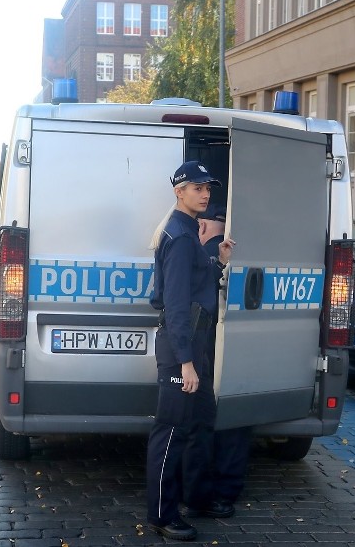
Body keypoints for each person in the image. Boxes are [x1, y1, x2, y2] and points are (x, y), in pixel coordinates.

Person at [146, 160, 235, 541]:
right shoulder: (182, 236)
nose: (205, 193)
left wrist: (218, 262)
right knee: (171, 433)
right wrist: (186, 362)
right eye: (197, 187)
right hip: (182, 347)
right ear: (179, 191)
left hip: (193, 344)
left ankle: (198, 497)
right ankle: (162, 515)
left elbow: (196, 283)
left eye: (208, 187)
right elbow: (177, 304)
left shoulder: (186, 232)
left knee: (201, 422)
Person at [181, 204, 252, 520]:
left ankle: (199, 494)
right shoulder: (236, 251)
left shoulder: (199, 251)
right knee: (235, 421)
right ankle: (224, 492)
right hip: (236, 346)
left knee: (200, 422)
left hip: (202, 349)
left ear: (204, 226)